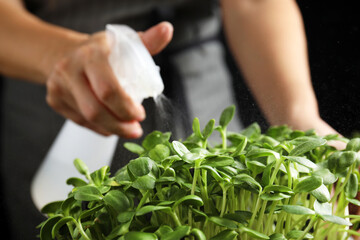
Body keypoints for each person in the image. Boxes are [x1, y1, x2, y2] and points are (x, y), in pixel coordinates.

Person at [0, 0, 346, 239]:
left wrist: (300, 119)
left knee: (233, 208)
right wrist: (59, 55)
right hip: (67, 101)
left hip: (207, 100)